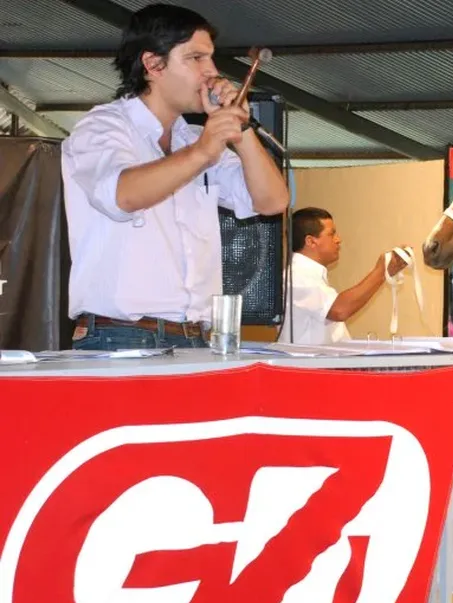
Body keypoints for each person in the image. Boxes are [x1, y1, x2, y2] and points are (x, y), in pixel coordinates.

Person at [62, 4, 289, 350]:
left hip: (195, 337)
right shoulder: (103, 127)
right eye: (196, 58)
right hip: (120, 337)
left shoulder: (191, 139)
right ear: (153, 65)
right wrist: (203, 152)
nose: (212, 72)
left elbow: (273, 201)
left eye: (211, 59)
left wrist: (240, 132)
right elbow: (122, 194)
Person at [277, 207, 409, 345]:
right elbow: (340, 310)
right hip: (306, 366)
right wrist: (380, 272)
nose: (338, 240)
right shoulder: (296, 277)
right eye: (331, 234)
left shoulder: (308, 275)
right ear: (310, 241)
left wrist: (383, 273)